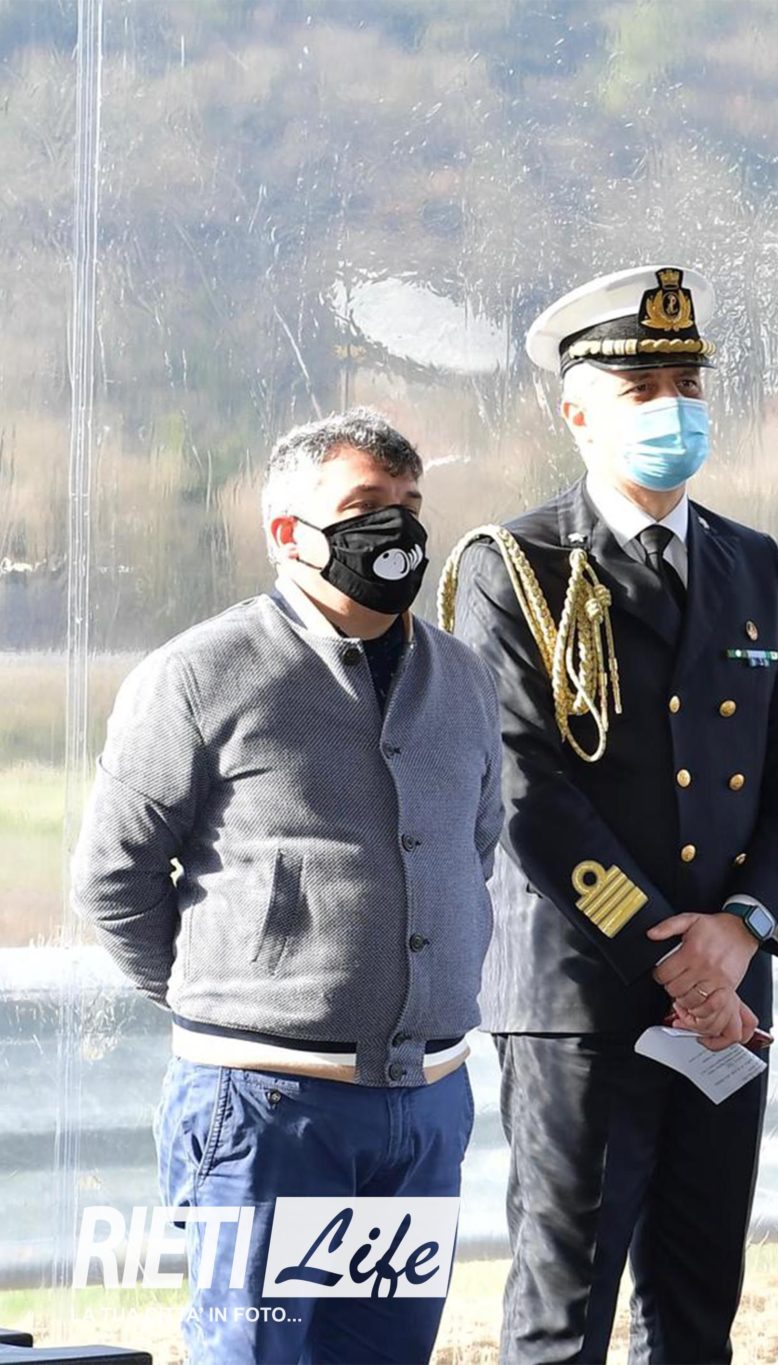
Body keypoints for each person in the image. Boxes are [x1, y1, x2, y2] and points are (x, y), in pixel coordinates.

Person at [445, 264, 778, 1364]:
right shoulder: (517, 567)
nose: (674, 408)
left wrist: (742, 928)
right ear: (578, 414)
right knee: (565, 1318)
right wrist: (673, 954)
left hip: (726, 995)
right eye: (642, 389)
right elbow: (524, 784)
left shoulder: (751, 563)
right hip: (587, 997)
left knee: (698, 1308)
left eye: (686, 384)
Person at [72, 408, 502, 1364]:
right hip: (268, 1112)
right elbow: (113, 876)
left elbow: (475, 845)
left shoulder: (465, 678)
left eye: (409, 504)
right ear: (287, 532)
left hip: (426, 1107)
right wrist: (228, 998)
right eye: (364, 505)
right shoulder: (201, 673)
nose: (397, 527)